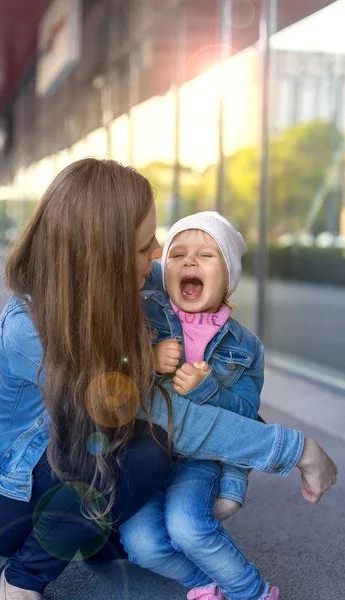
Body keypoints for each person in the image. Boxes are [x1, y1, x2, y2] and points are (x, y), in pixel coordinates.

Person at [0, 159, 337, 600]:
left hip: (65, 461)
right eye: (143, 247)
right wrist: (297, 449)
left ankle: (90, 532)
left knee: (133, 461)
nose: (157, 254)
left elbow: (196, 280)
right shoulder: (29, 326)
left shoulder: (118, 282)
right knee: (143, 448)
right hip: (3, 499)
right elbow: (170, 417)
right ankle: (18, 582)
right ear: (103, 255)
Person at [120, 211, 276, 600]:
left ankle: (251, 591)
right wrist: (146, 360)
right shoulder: (142, 316)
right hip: (144, 452)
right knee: (141, 545)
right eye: (177, 255)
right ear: (164, 271)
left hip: (199, 460)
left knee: (187, 526)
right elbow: (108, 373)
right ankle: (204, 584)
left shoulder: (245, 346)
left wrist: (209, 390)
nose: (190, 262)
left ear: (228, 276)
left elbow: (246, 416)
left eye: (206, 255)